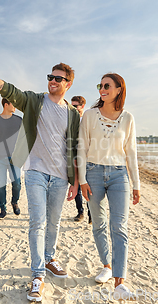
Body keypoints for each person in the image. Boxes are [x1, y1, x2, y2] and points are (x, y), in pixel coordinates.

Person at [0, 59, 80, 303]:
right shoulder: (35, 101)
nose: (52, 81)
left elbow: (75, 147)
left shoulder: (72, 114)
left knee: (54, 223)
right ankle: (38, 275)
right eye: (51, 76)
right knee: (37, 223)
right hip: (35, 171)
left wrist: (76, 180)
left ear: (68, 84)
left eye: (58, 78)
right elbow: (7, 89)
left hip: (60, 177)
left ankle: (49, 259)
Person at [77, 73, 141, 301]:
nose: (102, 89)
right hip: (93, 174)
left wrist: (136, 184)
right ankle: (106, 265)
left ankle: (119, 283)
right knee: (99, 224)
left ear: (119, 90)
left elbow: (131, 153)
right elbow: (82, 148)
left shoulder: (128, 118)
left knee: (119, 227)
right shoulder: (90, 116)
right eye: (100, 86)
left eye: (107, 86)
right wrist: (82, 179)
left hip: (118, 175)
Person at [70, 96, 91, 224]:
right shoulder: (70, 121)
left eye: (75, 106)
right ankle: (80, 211)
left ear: (82, 106)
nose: (73, 109)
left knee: (89, 186)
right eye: (71, 106)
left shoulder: (88, 121)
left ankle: (91, 213)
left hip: (88, 159)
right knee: (75, 186)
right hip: (73, 158)